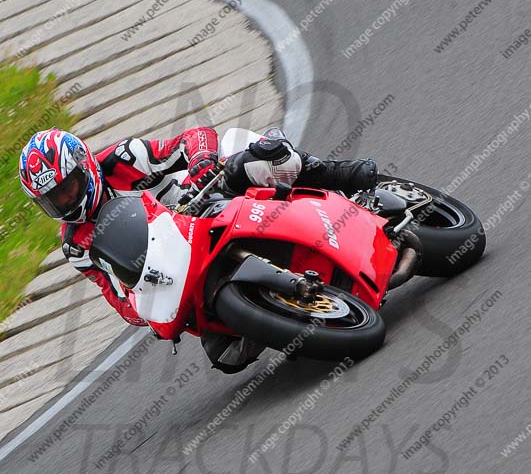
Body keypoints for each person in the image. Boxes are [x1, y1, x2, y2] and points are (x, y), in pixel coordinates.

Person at [19, 126, 378, 373]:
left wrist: (200, 162)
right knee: (226, 355)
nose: (66, 201)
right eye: (54, 199)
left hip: (204, 205)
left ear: (85, 166)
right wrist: (142, 308)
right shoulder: (75, 244)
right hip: (176, 268)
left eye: (68, 187)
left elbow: (194, 136)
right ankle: (288, 314)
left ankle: (336, 173)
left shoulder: (122, 159)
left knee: (251, 162)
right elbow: (115, 295)